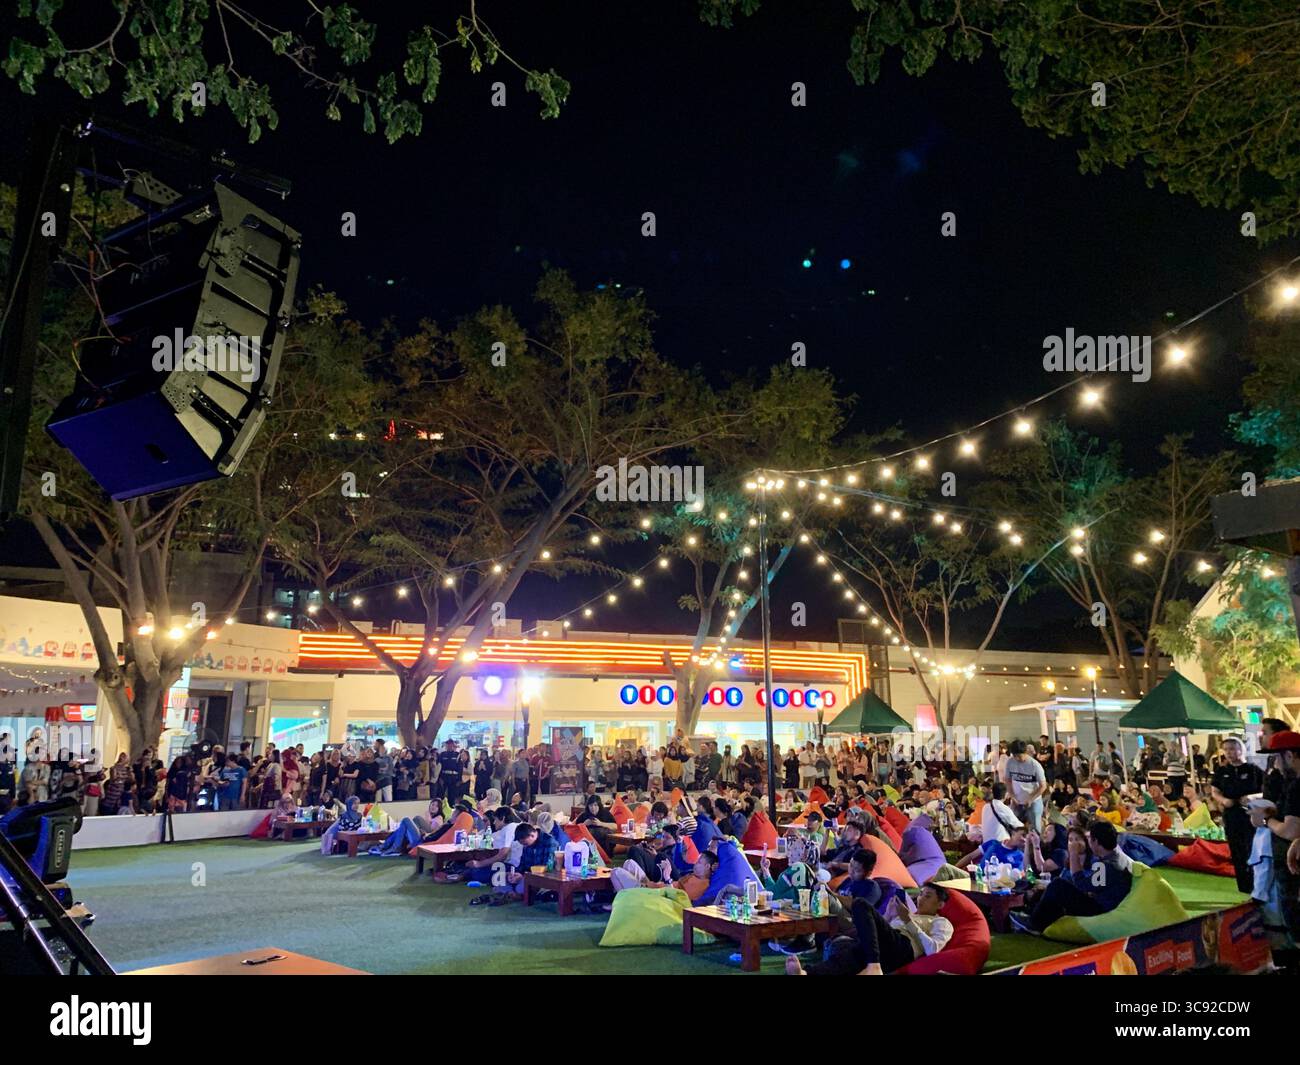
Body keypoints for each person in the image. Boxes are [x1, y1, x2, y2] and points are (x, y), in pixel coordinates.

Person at [787, 884, 953, 976]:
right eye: (921, 894)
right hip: (884, 947)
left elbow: (933, 949)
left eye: (928, 896)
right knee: (848, 954)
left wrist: (908, 920)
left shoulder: (941, 922)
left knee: (860, 904)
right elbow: (874, 931)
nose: (920, 898)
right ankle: (806, 973)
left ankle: (874, 967)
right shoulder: (908, 914)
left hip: (902, 948)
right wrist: (888, 916)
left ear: (940, 904)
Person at [1014, 820, 1133, 933]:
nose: (1074, 843)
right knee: (1044, 889)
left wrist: (1073, 853)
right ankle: (1033, 918)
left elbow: (1081, 884)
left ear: (1094, 841)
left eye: (1080, 839)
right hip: (1099, 901)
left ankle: (1034, 925)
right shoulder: (1114, 856)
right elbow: (1028, 869)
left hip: (1101, 909)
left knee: (1057, 885)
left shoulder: (1104, 864)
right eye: (1070, 840)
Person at [1210, 734, 1264, 895]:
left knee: (1252, 850)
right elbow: (1215, 791)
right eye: (1226, 749)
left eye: (1232, 749)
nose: (1229, 752)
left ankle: (1258, 885)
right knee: (1237, 852)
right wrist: (1223, 800)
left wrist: (1252, 797)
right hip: (1231, 816)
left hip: (1251, 816)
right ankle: (1244, 888)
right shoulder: (1221, 771)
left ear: (1241, 749)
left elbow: (1266, 791)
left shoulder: (1253, 770)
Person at [1003, 739, 1047, 831]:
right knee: (1014, 827)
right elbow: (1007, 780)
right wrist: (1012, 795)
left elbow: (1043, 786)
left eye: (1019, 756)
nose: (1017, 759)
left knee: (1035, 828)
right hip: (1017, 801)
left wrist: (1031, 798)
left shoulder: (1035, 765)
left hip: (1033, 801)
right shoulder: (1010, 762)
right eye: (1014, 756)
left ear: (1025, 752)